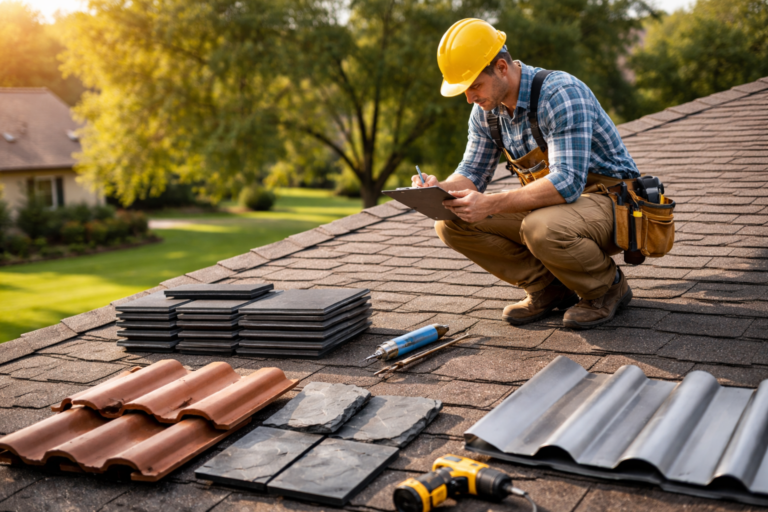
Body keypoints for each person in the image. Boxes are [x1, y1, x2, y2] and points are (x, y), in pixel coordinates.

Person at [413, 18, 640, 329]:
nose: (469, 98)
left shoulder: (560, 93)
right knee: (451, 221)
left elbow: (567, 183)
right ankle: (549, 288)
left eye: (474, 85)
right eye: (464, 89)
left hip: (612, 202)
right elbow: (472, 171)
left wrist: (490, 203)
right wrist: (441, 188)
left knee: (541, 227)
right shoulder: (486, 112)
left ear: (501, 68)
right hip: (556, 207)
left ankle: (606, 287)